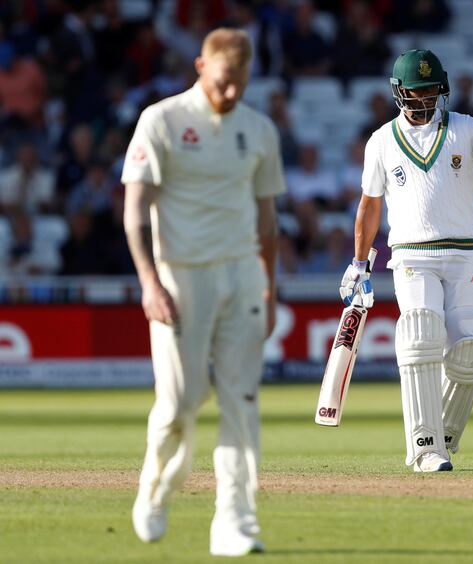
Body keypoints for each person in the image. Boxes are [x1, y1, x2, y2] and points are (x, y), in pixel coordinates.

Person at [121, 28, 285, 556]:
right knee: (180, 403)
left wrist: (270, 287)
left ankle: (235, 521)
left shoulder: (259, 130)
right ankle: (156, 488)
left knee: (241, 398)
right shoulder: (161, 120)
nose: (231, 93)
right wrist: (149, 281)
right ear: (199, 66)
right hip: (180, 275)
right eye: (222, 82)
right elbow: (134, 213)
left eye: (240, 83)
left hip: (242, 275)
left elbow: (267, 222)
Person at [341, 49, 473, 473]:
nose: (422, 100)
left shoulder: (465, 126)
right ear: (398, 92)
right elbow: (369, 206)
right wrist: (359, 262)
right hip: (411, 254)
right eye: (414, 92)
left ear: (442, 90)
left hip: (465, 253)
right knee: (421, 335)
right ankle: (425, 446)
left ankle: (442, 436)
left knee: (469, 354)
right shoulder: (382, 140)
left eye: (429, 91)